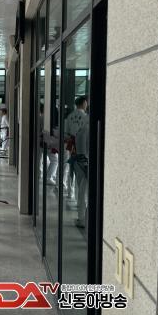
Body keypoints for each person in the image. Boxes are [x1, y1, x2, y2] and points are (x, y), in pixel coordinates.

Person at [65, 96, 89, 228]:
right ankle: (83, 215)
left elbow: (67, 134)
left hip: (75, 151)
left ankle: (71, 193)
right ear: (84, 103)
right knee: (84, 188)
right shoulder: (86, 118)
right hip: (84, 156)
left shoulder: (70, 117)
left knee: (73, 175)